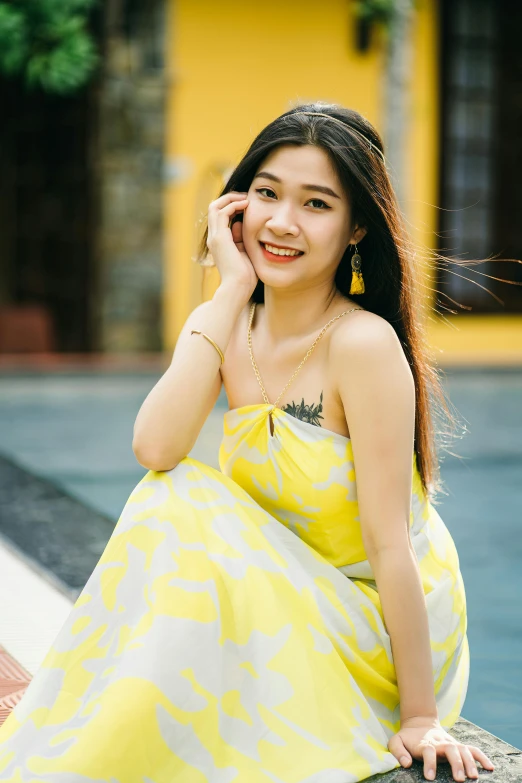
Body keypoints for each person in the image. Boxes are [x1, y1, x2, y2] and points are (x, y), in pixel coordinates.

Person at [0, 103, 495, 783]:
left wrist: (419, 715)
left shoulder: (363, 344)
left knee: (185, 506)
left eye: (315, 203)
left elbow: (389, 543)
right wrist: (230, 288)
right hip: (286, 592)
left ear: (356, 227)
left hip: (371, 619)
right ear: (234, 208)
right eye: (266, 193)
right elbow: (154, 448)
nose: (282, 221)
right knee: (172, 493)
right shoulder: (228, 321)